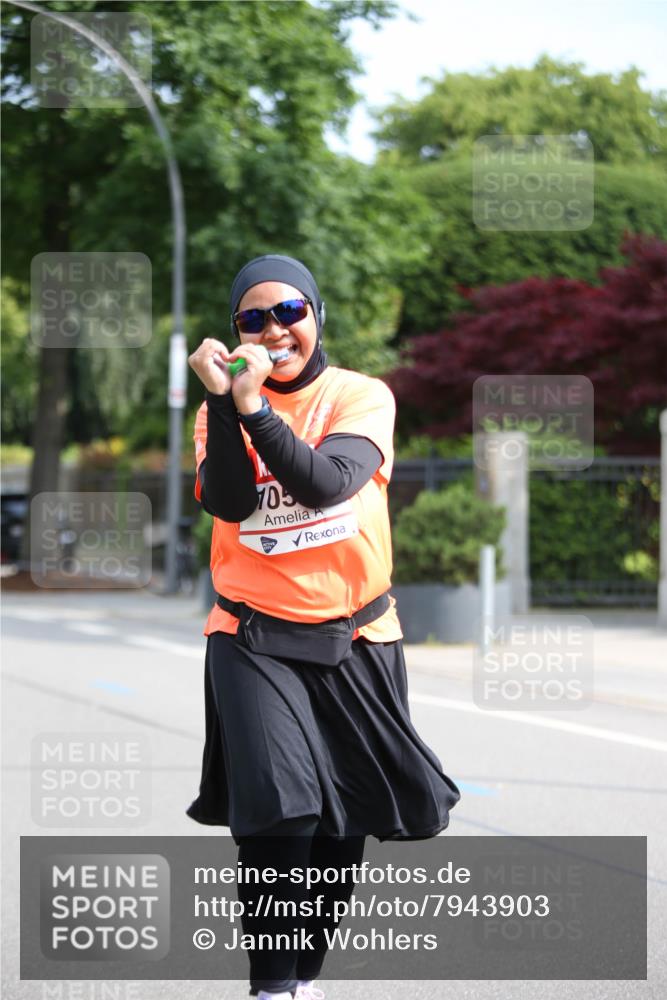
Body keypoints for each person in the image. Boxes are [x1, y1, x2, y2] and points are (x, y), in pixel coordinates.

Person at [186, 254, 461, 1000]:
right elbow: (232, 503)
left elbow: (324, 483)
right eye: (253, 318)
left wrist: (255, 411)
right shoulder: (218, 410)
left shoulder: (360, 397)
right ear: (235, 329)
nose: (274, 330)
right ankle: (270, 988)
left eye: (289, 313)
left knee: (344, 822)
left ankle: (304, 979)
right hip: (251, 637)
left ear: (315, 316)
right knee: (282, 814)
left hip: (358, 636)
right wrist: (225, 401)